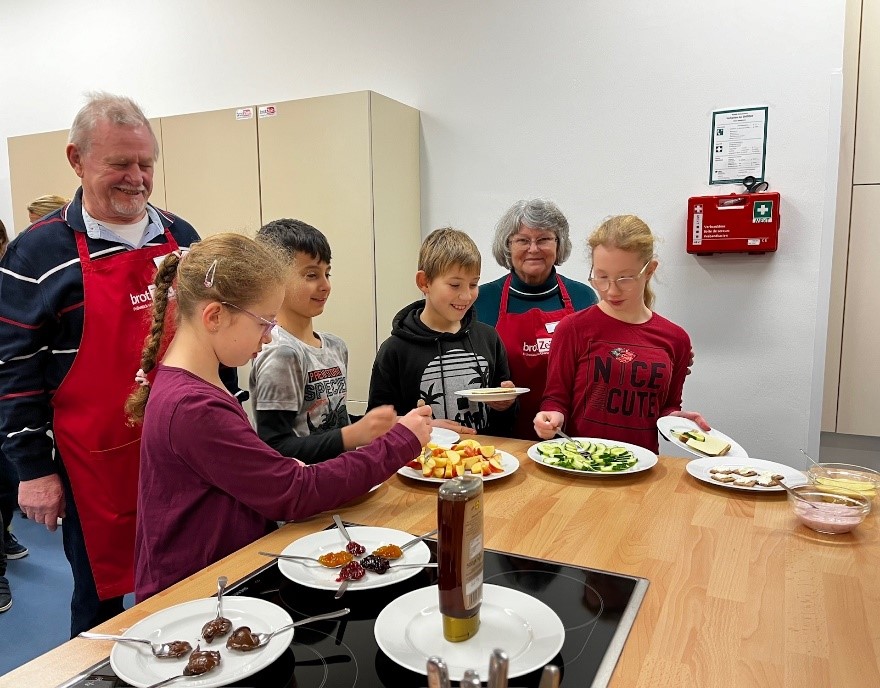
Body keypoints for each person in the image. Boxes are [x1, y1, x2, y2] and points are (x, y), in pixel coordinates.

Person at [0, 92, 240, 636]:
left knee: (200, 583)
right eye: (119, 164)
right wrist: (33, 470)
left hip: (187, 451)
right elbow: (13, 374)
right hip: (96, 465)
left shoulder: (184, 240)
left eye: (146, 164)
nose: (137, 178)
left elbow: (215, 342)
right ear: (76, 160)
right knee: (100, 601)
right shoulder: (36, 256)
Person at [127, 233, 432, 600]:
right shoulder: (193, 407)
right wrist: (400, 443)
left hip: (219, 573)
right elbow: (295, 493)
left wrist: (277, 464)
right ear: (215, 316)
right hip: (199, 592)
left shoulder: (196, 382)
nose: (270, 337)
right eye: (263, 323)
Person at [534, 215, 708, 452]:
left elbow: (667, 407)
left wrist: (678, 423)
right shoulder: (573, 328)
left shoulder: (675, 339)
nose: (611, 290)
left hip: (642, 465)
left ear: (650, 271)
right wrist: (550, 417)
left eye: (625, 279)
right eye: (602, 277)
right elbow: (556, 399)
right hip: (582, 462)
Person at [250, 219, 397, 463]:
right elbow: (274, 447)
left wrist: (384, 425)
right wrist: (352, 435)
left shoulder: (336, 346)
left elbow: (333, 422)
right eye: (311, 275)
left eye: (327, 274)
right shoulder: (281, 354)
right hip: (305, 492)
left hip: (341, 479)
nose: (325, 285)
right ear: (272, 278)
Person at [368, 227, 517, 435]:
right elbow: (375, 425)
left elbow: (505, 423)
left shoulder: (489, 338)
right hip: (423, 463)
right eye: (455, 285)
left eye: (473, 284)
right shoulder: (394, 350)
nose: (466, 296)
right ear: (424, 282)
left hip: (484, 461)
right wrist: (417, 426)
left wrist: (506, 405)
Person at [473, 199, 599, 438]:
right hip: (501, 439)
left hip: (568, 439)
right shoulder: (482, 300)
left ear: (558, 244)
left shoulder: (583, 297)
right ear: (507, 246)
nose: (533, 249)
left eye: (543, 239)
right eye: (522, 240)